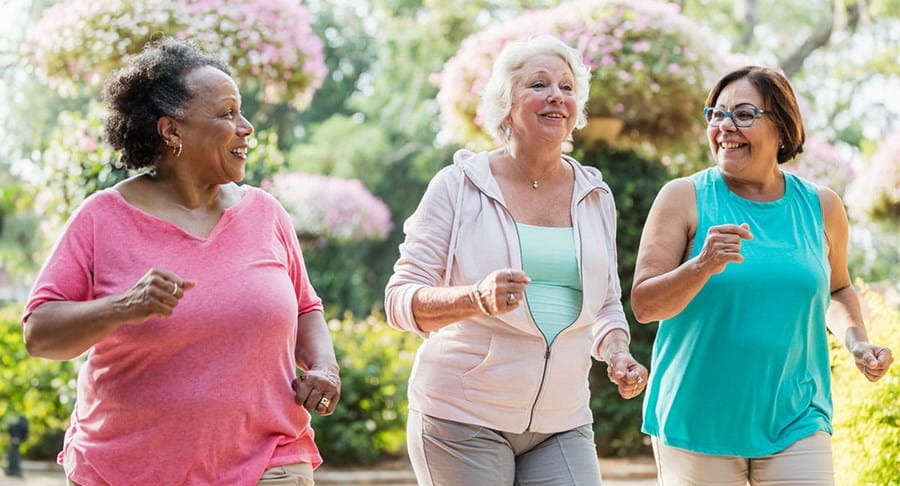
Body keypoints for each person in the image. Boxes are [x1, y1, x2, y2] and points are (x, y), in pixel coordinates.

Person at [22, 39, 341, 486]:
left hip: (271, 458)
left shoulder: (266, 214)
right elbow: (39, 334)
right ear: (172, 131)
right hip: (127, 468)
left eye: (241, 111)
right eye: (227, 113)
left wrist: (324, 367)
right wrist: (122, 307)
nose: (245, 127)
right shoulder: (101, 218)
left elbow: (307, 308)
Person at [384, 34, 648, 485]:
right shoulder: (458, 186)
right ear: (506, 104)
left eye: (567, 88)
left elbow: (603, 304)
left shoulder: (594, 195)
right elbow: (399, 300)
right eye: (539, 84)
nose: (556, 97)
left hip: (561, 421)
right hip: (461, 418)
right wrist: (476, 298)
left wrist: (618, 352)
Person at [632, 66, 894, 485]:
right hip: (698, 419)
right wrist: (702, 265)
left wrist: (857, 342)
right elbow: (645, 305)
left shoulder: (821, 206)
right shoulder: (683, 197)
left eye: (744, 114)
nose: (725, 127)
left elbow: (837, 287)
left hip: (797, 416)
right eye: (716, 114)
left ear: (783, 128)